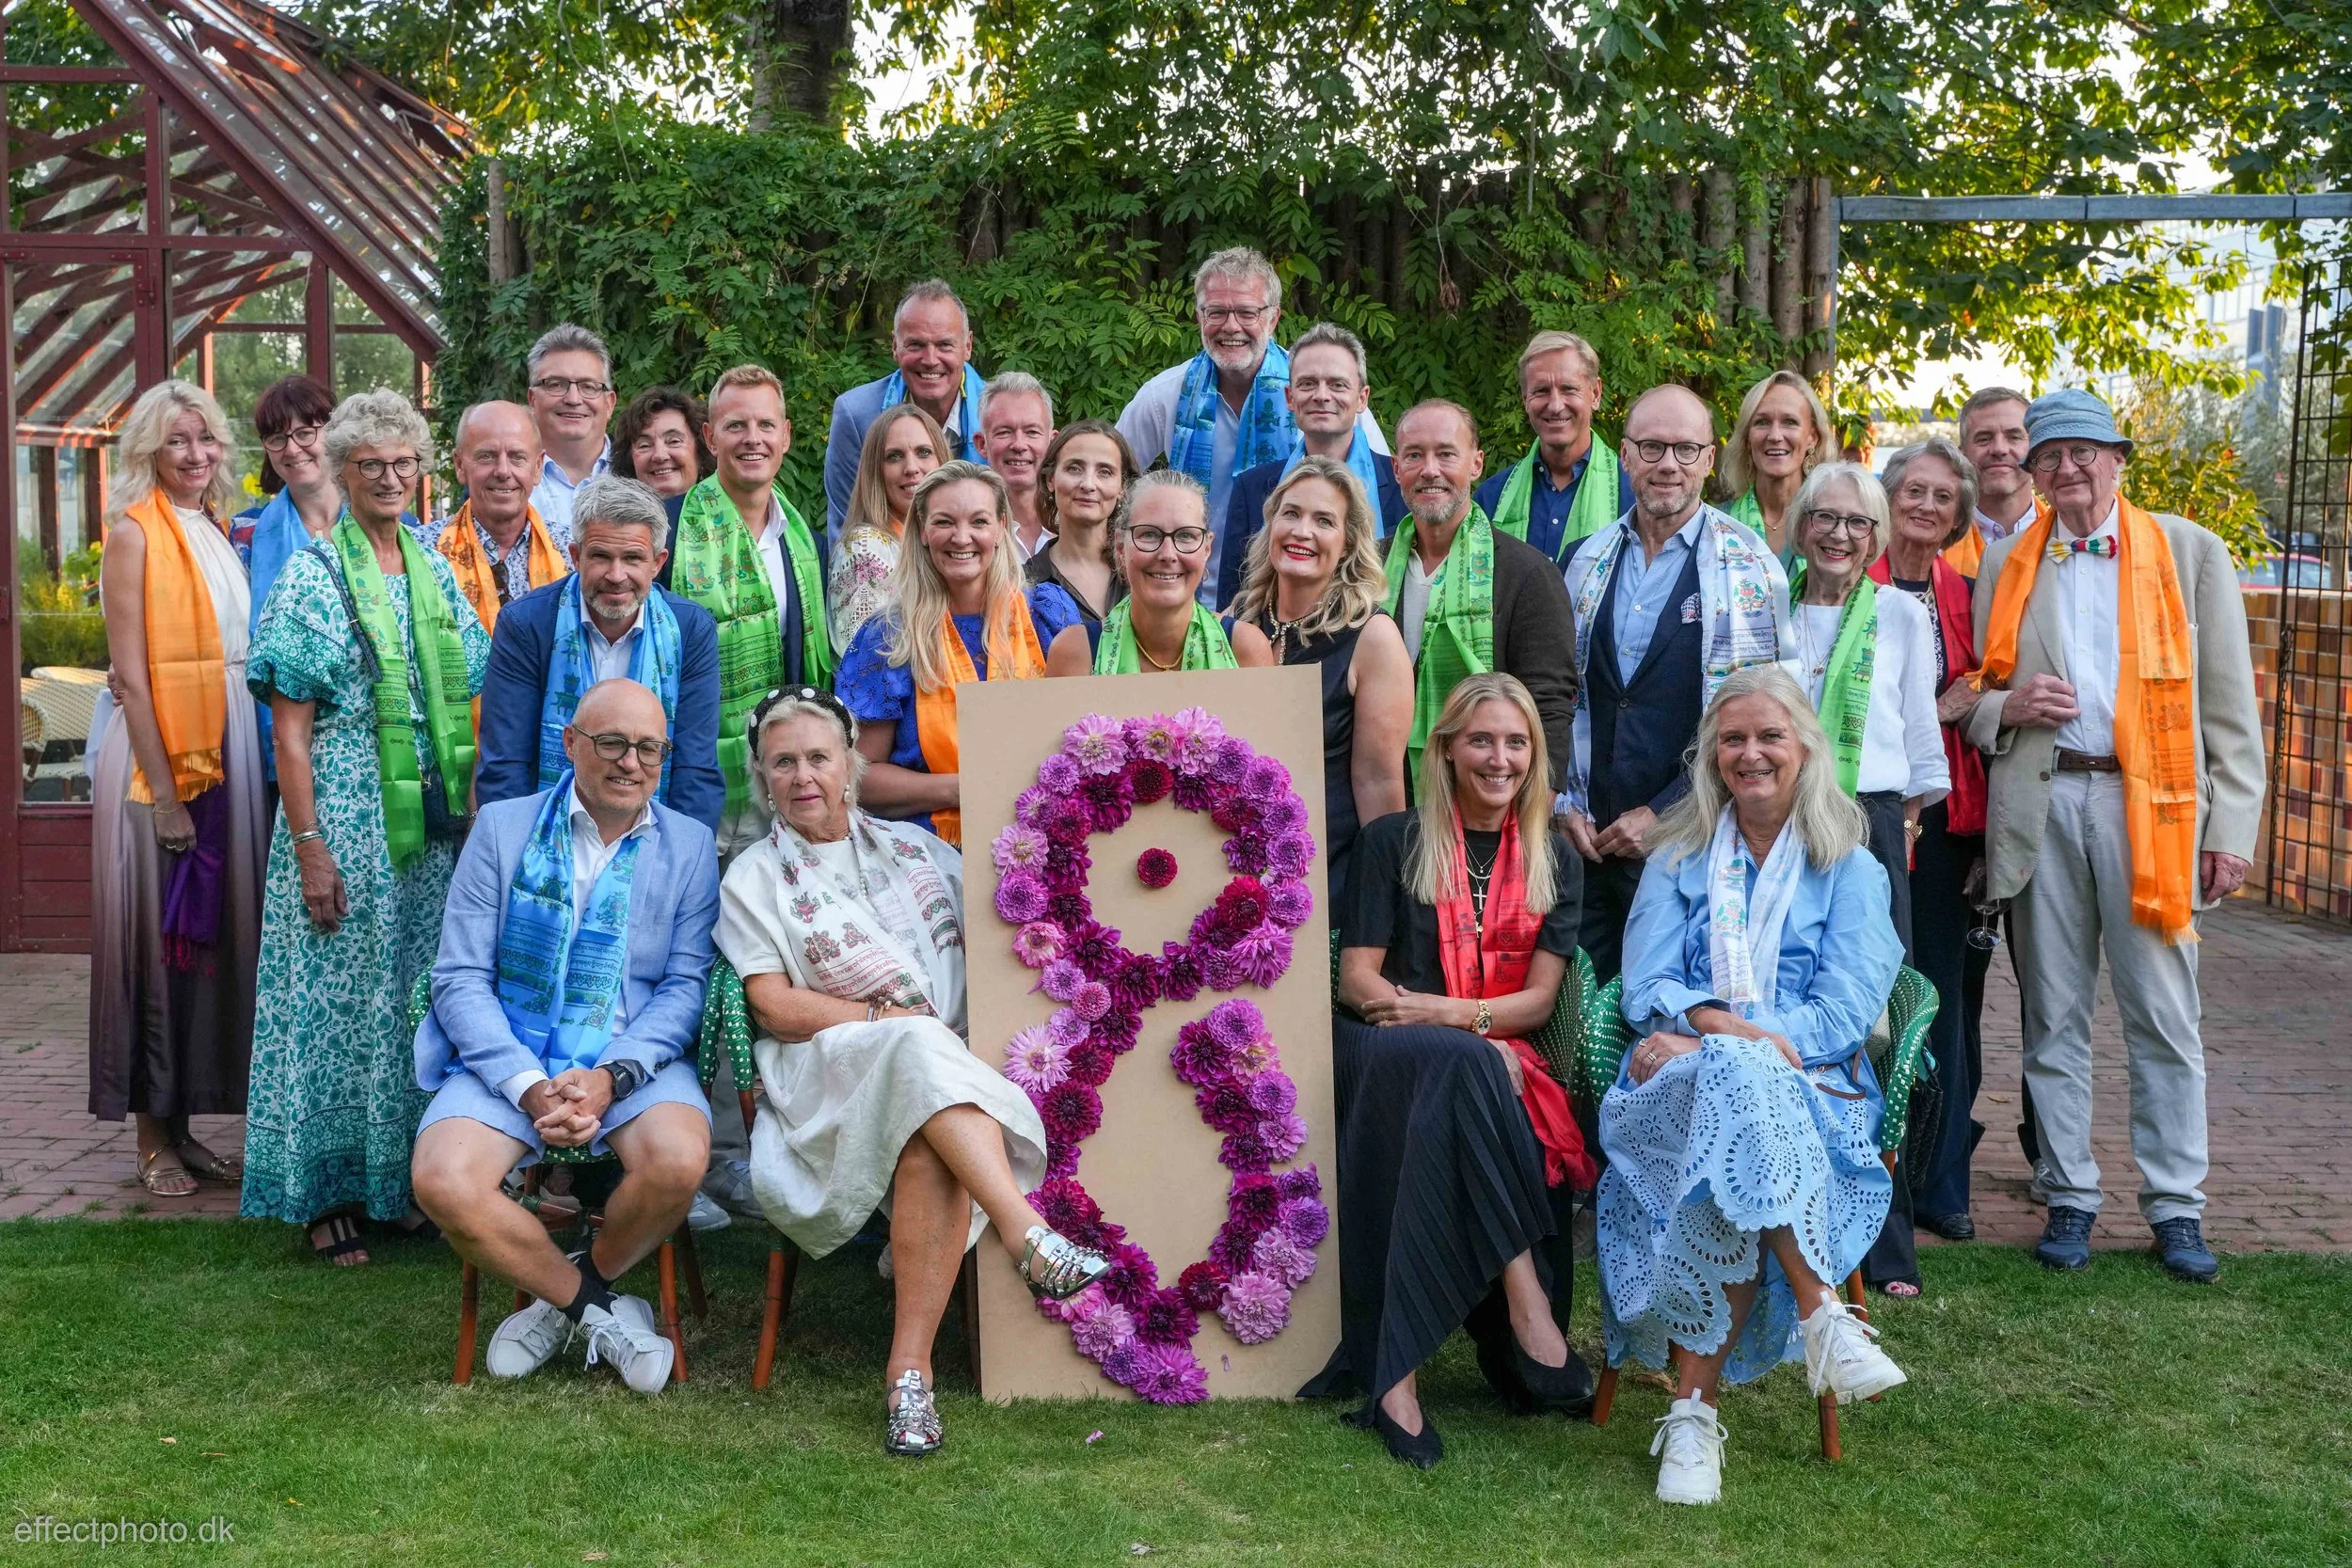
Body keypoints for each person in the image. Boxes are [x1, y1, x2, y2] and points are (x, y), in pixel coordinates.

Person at [719, 686, 1110, 1453]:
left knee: (929, 1126)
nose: (803, 776)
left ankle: (910, 1381)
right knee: (917, 1047)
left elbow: (1001, 944)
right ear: (763, 778)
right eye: (783, 762)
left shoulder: (919, 851)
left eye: (818, 758)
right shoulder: (752, 879)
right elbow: (771, 1006)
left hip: (945, 1078)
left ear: (852, 762)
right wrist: (882, 1021)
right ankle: (1026, 1230)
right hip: (827, 1080)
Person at [1965, 388, 2264, 1284]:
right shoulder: (2009, 561)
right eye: (2050, 457)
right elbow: (1977, 695)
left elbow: (2231, 711)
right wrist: (2004, 709)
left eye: (2086, 452)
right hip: (2047, 805)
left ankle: (2176, 1203)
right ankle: (2069, 1191)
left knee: (2165, 1015)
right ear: (2034, 472)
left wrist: (2233, 826)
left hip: (2156, 808)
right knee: (2052, 1012)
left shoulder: (2189, 552)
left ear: (2119, 459)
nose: (2069, 469)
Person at [1601, 665, 1907, 1506]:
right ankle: (1823, 1315)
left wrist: (1738, 1041)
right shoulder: (1680, 854)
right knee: (1734, 1079)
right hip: (1677, 1088)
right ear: (1710, 754)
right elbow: (1644, 985)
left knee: (1736, 1104)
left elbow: (1847, 1009)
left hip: (1810, 1092)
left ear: (1806, 747)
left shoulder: (1850, 866)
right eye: (1732, 738)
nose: (1751, 753)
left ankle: (1692, 1418)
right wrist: (1731, 1035)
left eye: (1770, 735)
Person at [410, 679, 718, 1393]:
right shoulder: (503, 828)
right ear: (570, 744)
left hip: (629, 1060)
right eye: (611, 742)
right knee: (442, 1179)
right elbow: (457, 977)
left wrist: (612, 1075)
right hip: (512, 1055)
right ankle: (595, 1311)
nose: (630, 762)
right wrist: (527, 1082)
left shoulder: (691, 845)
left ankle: (568, 1292)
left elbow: (682, 988)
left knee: (678, 1162)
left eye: (649, 748)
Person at [241, 388, 491, 1263]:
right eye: (371, 465)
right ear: (342, 473)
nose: (390, 478)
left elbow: (474, 682)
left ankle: (399, 1183)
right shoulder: (312, 573)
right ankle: (325, 1195)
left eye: (404, 463)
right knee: (334, 1007)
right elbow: (289, 730)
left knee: (410, 998)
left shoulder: (429, 563)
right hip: (343, 817)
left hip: (428, 824)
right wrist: (310, 848)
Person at [1326, 674, 1595, 1468]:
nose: (1499, 757)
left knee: (1463, 1068)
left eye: (1516, 743)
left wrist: (1451, 1019)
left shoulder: (1554, 858)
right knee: (1463, 1066)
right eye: (1481, 739)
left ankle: (1396, 1379)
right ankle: (1527, 1300)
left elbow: (1540, 1000)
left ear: (1535, 757)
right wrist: (1457, 1029)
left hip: (1467, 1050)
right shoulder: (1394, 841)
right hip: (1380, 1055)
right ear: (1444, 750)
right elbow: (1358, 981)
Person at [88, 380, 267, 1198]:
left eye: (207, 439)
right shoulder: (133, 536)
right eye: (176, 443)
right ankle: (151, 1136)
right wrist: (164, 795)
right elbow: (129, 675)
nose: (196, 455)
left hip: (224, 735)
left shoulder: (217, 531)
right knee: (157, 942)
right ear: (147, 454)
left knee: (204, 943)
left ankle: (188, 1124)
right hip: (157, 754)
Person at [1561, 384, 1792, 982]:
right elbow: (1561, 695)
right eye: (1653, 447)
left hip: (1693, 840)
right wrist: (1567, 803)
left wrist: (1664, 813)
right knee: (1580, 1019)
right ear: (1625, 455)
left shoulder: (1750, 567)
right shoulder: (1584, 560)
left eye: (1686, 450)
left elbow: (1765, 727)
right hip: (1587, 842)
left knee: (1669, 1015)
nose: (1669, 465)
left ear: (1710, 460)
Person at [1872, 437, 1993, 1244]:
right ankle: (1874, 1175)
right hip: (1870, 816)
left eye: (1941, 498)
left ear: (1958, 517)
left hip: (1947, 825)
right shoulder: (1851, 578)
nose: (1924, 506)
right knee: (1873, 990)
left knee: (1941, 1000)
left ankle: (1940, 1179)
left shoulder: (1970, 595)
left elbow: (1987, 694)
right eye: (1912, 490)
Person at [1118, 248, 1386, 601]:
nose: (1231, 327)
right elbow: (1110, 479)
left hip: (1310, 596)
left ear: (1273, 318)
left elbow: (1380, 487)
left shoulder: (1317, 389)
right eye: (1217, 312)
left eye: (1247, 312)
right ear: (1200, 318)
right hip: (1187, 596)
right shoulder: (1164, 397)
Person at [840, 462, 1082, 845]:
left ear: (1002, 528)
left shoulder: (1047, 615)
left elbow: (1082, 740)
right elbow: (862, 777)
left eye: (979, 522)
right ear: (922, 531)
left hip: (1041, 840)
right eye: (944, 522)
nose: (962, 537)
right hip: (931, 852)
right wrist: (965, 789)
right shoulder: (888, 638)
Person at [475, 475, 724, 832]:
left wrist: (676, 863)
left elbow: (695, 769)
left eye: (633, 558)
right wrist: (515, 855)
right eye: (601, 556)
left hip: (654, 833)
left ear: (657, 563)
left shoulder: (690, 629)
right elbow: (506, 765)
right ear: (576, 556)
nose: (616, 575)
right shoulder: (526, 624)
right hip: (544, 836)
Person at [660, 364, 830, 857]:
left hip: (783, 787)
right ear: (711, 438)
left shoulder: (807, 545)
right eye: (736, 426)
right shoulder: (668, 532)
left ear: (786, 436)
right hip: (693, 785)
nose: (752, 439)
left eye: (765, 425)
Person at [1226, 455, 1412, 899]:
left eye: (1324, 521)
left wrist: (1387, 902)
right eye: (1290, 514)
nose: (1302, 531)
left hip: (1331, 878)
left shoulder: (1373, 636)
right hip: (1235, 873)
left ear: (1347, 544)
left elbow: (1379, 783)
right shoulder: (1233, 622)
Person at [1783, 461, 1950, 953]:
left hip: (1870, 819)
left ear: (1875, 536)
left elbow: (1920, 733)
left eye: (1858, 522)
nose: (1841, 535)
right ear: (1802, 526)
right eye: (1826, 518)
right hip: (1778, 815)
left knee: (1869, 982)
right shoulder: (1772, 610)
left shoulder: (1900, 613)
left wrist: (1906, 832)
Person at [1379, 401, 1579, 791]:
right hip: (1384, 792)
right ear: (1397, 468)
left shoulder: (1529, 574)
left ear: (1476, 464)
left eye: (1446, 454)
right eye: (1415, 455)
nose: (1430, 470)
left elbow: (1549, 705)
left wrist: (1538, 805)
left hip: (1489, 795)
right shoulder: (1368, 568)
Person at [1216, 323, 1408, 609]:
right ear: (1290, 398)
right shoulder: (1252, 488)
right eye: (1308, 383)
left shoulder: (1400, 484)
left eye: (1337, 384)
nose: (1322, 395)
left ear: (1362, 398)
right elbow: (1233, 602)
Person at [1042, 470, 1275, 675]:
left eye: (1186, 536)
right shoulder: (1075, 653)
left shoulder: (1246, 649)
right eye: (1149, 534)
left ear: (1206, 548)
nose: (1167, 554)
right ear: (1121, 546)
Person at [231, 374, 340, 785]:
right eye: (277, 437)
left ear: (334, 431)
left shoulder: (389, 525)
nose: (292, 448)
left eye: (306, 432)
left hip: (371, 739)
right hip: (274, 733)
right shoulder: (244, 536)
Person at [824, 279, 984, 539]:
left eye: (944, 345)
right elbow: (846, 532)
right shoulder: (856, 416)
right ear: (895, 346)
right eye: (916, 345)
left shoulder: (999, 416)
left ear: (967, 346)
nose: (930, 360)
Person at [1470, 331, 1637, 567]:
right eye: (1541, 391)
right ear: (1525, 398)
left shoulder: (1631, 492)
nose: (1556, 406)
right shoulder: (1493, 498)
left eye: (1569, 388)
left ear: (1596, 394)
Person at [437, 401, 564, 636]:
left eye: (517, 457)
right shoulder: (425, 552)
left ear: (537, 467)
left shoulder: (573, 552)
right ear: (459, 465)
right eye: (487, 456)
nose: (503, 471)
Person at [828, 403, 946, 652]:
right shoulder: (864, 549)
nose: (912, 468)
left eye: (924, 452)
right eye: (894, 456)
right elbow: (864, 658)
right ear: (875, 472)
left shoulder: (950, 541)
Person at [1023, 419, 1136, 627]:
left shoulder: (1142, 571)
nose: (1088, 484)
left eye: (1105, 472)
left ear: (1123, 487)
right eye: (1074, 468)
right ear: (1050, 480)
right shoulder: (1024, 583)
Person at [1717, 370, 1835, 563]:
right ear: (1747, 439)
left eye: (1790, 422)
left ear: (1812, 438)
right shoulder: (1717, 523)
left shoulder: (1833, 525)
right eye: (1762, 422)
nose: (1775, 436)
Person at [524, 324, 617, 546]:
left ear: (609, 403)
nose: (574, 399)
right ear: (532, 400)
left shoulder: (639, 471)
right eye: (556, 384)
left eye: (588, 386)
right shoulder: (508, 478)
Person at [1948, 387, 2049, 576]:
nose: (1999, 449)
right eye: (1984, 439)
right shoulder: (1936, 541)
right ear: (1963, 455)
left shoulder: (2066, 537)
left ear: (2035, 449)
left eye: (2014, 437)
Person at [972, 372, 1056, 561]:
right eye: (1004, 432)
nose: (1019, 445)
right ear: (981, 444)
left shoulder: (1075, 524)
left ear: (1052, 442)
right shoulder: (968, 533)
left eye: (1032, 432)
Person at [612, 387, 712, 500]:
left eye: (674, 441)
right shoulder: (609, 517)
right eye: (644, 445)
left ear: (701, 452)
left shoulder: (731, 512)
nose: (660, 455)